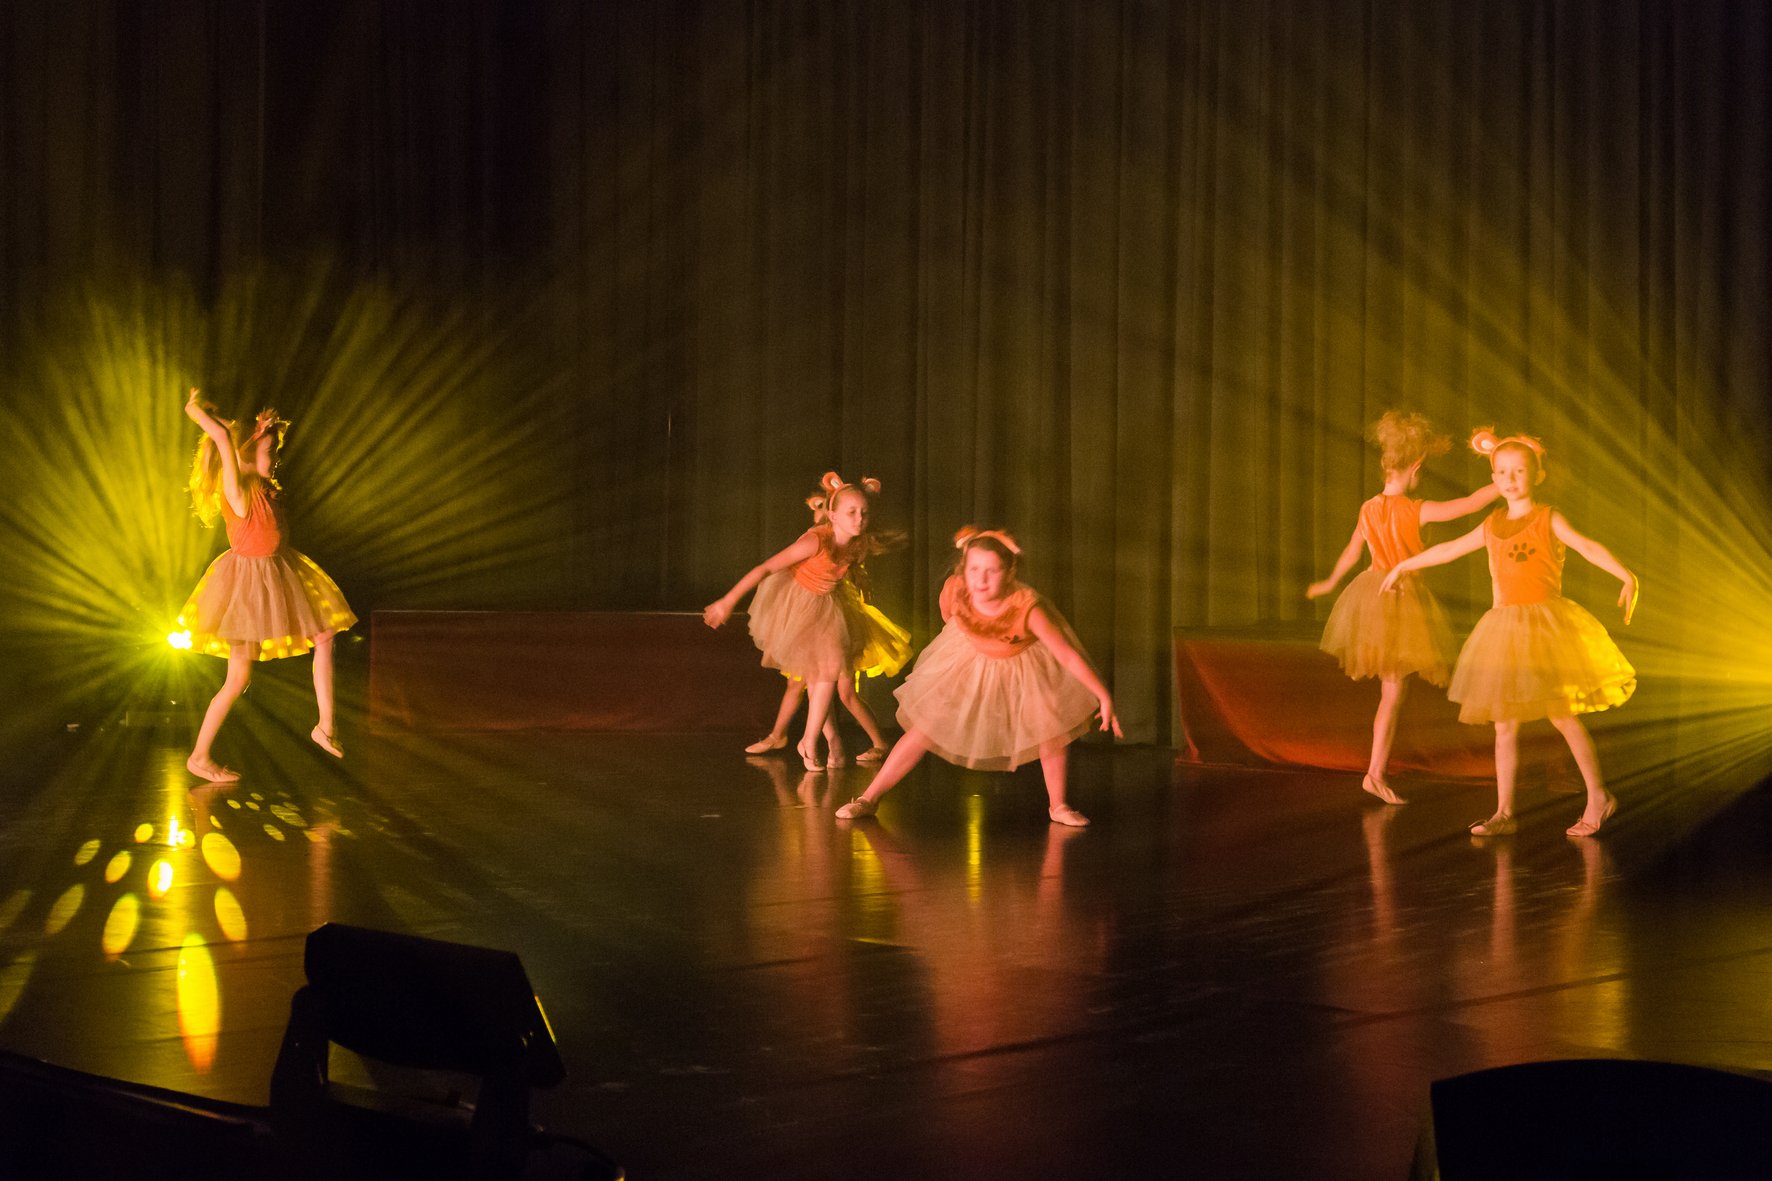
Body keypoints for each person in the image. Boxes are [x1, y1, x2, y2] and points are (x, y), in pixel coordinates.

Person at [1380, 428, 1638, 837]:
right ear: (1493, 478)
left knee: (1562, 714)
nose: (1510, 479)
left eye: (1519, 471)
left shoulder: (1548, 518)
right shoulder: (1492, 523)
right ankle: (1503, 813)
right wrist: (1403, 565)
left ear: (1537, 475)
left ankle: (1598, 796)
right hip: (1503, 628)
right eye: (1502, 472)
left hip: (1545, 627)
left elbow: (1587, 546)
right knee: (1504, 725)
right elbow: (1449, 549)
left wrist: (1625, 575)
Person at [834, 528, 1121, 827]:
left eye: (991, 571)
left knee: (1049, 726)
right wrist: (974, 645)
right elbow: (950, 618)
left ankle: (1058, 805)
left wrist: (1103, 695)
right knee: (926, 726)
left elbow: (1066, 655)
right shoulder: (956, 589)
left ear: (1010, 572)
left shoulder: (1027, 607)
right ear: (964, 568)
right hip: (972, 655)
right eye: (974, 570)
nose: (981, 580)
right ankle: (869, 798)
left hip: (1022, 660)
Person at [1307, 411, 1499, 803]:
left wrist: (1329, 582)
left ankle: (1375, 772)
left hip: (1371, 597)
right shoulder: (1416, 509)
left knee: (1392, 693)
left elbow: (1352, 553)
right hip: (1400, 599)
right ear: (1415, 467)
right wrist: (1503, 480)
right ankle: (1374, 773)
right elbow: (1470, 504)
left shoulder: (1368, 508)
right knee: (1393, 694)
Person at [178, 388, 357, 781]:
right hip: (246, 585)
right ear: (245, 454)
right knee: (238, 679)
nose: (275, 458)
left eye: (275, 451)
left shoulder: (262, 487)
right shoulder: (237, 490)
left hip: (278, 571)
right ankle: (200, 757)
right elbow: (222, 438)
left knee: (324, 635)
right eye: (269, 451)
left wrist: (254, 430)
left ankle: (325, 727)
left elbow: (233, 435)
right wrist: (195, 409)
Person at [705, 472, 909, 771]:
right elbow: (765, 568)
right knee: (818, 675)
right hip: (799, 602)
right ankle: (808, 740)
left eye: (864, 513)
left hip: (830, 602)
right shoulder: (815, 541)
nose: (859, 519)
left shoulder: (859, 542)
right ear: (832, 515)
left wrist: (859, 581)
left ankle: (812, 742)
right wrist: (728, 600)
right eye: (851, 512)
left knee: (824, 674)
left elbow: (849, 567)